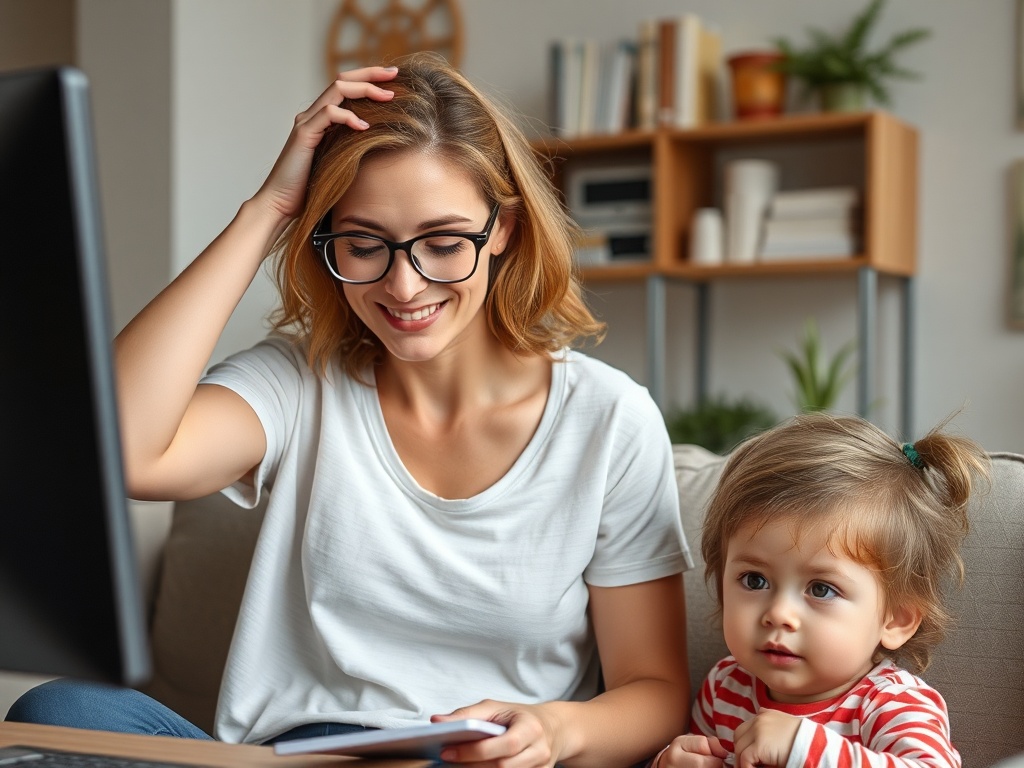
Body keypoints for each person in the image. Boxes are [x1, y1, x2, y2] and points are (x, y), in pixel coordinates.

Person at [7, 53, 693, 767]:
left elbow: (653, 689)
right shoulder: (297, 382)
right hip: (293, 758)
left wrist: (553, 730)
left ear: (506, 231)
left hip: (459, 761)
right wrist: (266, 210)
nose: (403, 284)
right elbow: (118, 451)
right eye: (364, 244)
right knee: (57, 714)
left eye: (443, 242)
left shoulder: (609, 420)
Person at [653, 411, 989, 768]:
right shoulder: (724, 687)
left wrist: (805, 748)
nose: (779, 613)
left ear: (896, 619)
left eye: (822, 589)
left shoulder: (890, 703)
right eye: (755, 580)